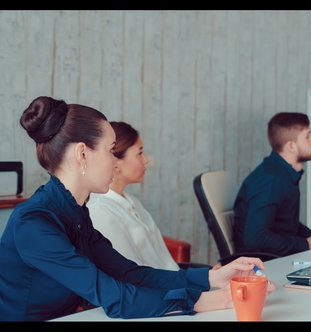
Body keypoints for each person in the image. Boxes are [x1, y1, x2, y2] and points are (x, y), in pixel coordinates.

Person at [0, 96, 275, 321]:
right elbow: (116, 297)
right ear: (83, 154)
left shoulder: (75, 214)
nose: (115, 163)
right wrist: (214, 299)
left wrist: (214, 276)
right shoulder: (34, 224)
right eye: (110, 150)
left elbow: (131, 273)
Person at [87, 122, 214, 271]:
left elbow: (165, 264)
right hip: (160, 290)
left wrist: (207, 276)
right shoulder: (100, 211)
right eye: (139, 153)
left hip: (172, 282)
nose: (146, 160)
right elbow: (131, 276)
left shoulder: (131, 201)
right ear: (117, 163)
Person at [232, 112, 311, 257]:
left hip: (281, 258)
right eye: (308, 136)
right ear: (291, 146)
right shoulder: (270, 180)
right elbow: (256, 239)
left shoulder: (283, 175)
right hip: (266, 265)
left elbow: (284, 224)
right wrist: (306, 244)